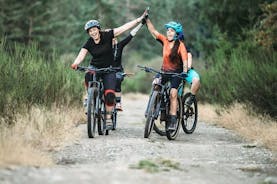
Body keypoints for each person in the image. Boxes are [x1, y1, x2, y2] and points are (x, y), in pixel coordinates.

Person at [71, 11, 147, 127]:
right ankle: (89, 96)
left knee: (110, 94)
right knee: (88, 75)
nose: (93, 32)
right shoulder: (89, 42)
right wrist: (76, 63)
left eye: (94, 29)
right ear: (88, 33)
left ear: (98, 29)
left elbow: (123, 28)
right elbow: (82, 54)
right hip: (95, 67)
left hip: (109, 69)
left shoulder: (107, 35)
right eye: (90, 31)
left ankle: (108, 117)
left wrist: (138, 20)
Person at [145, 18, 188, 130]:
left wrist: (184, 72)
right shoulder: (164, 40)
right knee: (155, 84)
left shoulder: (180, 45)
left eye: (172, 31)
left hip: (176, 73)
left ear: (176, 33)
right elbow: (153, 31)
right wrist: (147, 20)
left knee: (173, 93)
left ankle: (173, 120)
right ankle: (153, 110)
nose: (169, 32)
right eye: (168, 30)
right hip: (164, 71)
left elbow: (185, 61)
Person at [113, 21, 145, 111]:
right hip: (105, 71)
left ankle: (118, 102)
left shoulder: (119, 46)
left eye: (114, 39)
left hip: (118, 71)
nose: (113, 41)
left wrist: (141, 24)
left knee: (118, 78)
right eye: (111, 39)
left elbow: (131, 35)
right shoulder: (103, 48)